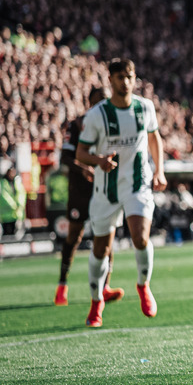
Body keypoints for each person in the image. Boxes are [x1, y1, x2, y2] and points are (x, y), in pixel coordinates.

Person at [76, 59, 167, 327]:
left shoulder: (145, 107)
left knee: (140, 237)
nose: (125, 82)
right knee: (101, 250)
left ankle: (143, 286)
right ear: (110, 80)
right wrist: (99, 161)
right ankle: (96, 302)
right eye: (119, 77)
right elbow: (81, 152)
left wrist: (159, 170)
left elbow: (154, 138)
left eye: (129, 76)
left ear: (134, 77)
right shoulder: (96, 115)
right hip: (106, 189)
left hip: (138, 183)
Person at [55, 86, 122, 306]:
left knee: (106, 237)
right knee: (74, 236)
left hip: (103, 190)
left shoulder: (113, 126)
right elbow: (65, 157)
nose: (103, 104)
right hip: (80, 192)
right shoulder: (76, 125)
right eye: (98, 101)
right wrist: (84, 169)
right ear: (90, 103)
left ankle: (105, 287)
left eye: (106, 100)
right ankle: (62, 285)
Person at [0, 157, 26, 238]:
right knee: (7, 236)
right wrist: (14, 206)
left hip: (18, 215)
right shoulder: (2, 183)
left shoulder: (17, 181)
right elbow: (4, 197)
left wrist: (19, 206)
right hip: (6, 217)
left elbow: (21, 194)